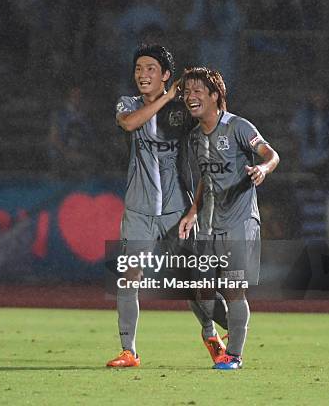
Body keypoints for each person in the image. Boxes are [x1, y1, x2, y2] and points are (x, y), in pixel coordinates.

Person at [107, 44, 227, 368]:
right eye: (138, 69)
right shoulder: (127, 104)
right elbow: (130, 124)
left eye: (150, 69)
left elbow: (211, 127)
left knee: (190, 282)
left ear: (165, 76)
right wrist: (165, 97)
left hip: (177, 210)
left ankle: (210, 333)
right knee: (129, 276)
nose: (142, 75)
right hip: (138, 209)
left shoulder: (182, 110)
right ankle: (129, 350)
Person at [179, 67, 280, 369]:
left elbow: (271, 154)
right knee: (198, 289)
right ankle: (212, 333)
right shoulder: (195, 137)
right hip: (209, 224)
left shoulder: (238, 127)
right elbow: (205, 178)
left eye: (197, 91)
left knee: (234, 287)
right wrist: (193, 210)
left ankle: (234, 355)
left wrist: (263, 169)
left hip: (239, 222)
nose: (190, 96)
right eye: (187, 91)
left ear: (214, 95)